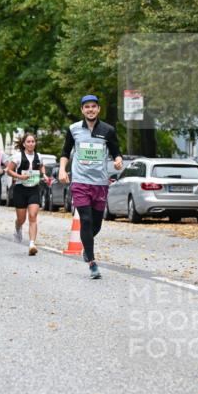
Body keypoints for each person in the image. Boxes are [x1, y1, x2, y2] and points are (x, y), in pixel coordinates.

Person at [59, 94, 123, 278]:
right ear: (82, 110)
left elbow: (116, 152)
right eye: (86, 107)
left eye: (93, 106)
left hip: (100, 183)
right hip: (80, 181)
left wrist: (118, 161)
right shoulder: (73, 129)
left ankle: (87, 246)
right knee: (85, 220)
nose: (90, 109)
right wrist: (63, 170)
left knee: (96, 225)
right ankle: (92, 262)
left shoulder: (108, 130)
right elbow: (65, 152)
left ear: (98, 109)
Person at [5, 132, 45, 256]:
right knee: (21, 219)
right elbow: (9, 171)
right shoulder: (17, 156)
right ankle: (18, 227)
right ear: (24, 144)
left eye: (33, 141)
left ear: (35, 143)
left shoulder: (39, 156)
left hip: (34, 188)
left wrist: (45, 175)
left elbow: (41, 168)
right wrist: (20, 176)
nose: (31, 143)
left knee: (33, 216)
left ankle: (32, 244)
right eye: (28, 141)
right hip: (20, 189)